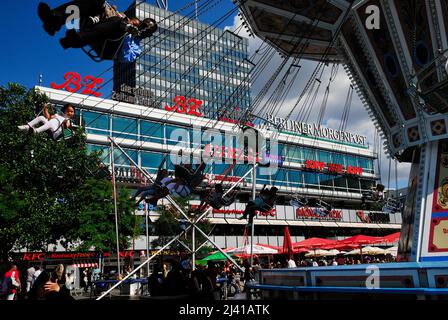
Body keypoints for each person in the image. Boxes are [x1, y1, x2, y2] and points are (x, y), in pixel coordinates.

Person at [37, 1, 157, 61]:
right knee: (95, 1)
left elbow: (124, 57)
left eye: (146, 27)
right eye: (143, 23)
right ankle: (54, 20)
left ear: (147, 33)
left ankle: (77, 39)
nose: (142, 26)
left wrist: (127, 31)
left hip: (106, 46)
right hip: (96, 26)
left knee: (119, 23)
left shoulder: (136, 47)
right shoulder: (126, 19)